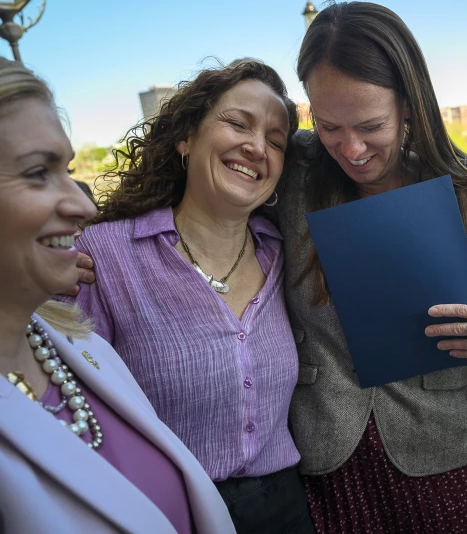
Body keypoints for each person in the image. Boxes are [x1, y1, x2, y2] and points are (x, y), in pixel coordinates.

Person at [265, 1, 467, 533]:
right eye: (328, 126)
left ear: (409, 104)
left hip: (444, 452)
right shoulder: (292, 172)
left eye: (370, 125)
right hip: (327, 456)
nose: (351, 148)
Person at [67, 60, 314, 532]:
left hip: (285, 509)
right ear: (185, 137)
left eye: (276, 141)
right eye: (237, 123)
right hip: (162, 514)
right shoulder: (104, 256)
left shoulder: (287, 254)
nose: (256, 146)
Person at [0, 58, 234, 533]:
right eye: (37, 172)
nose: (85, 205)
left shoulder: (82, 347)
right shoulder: (110, 260)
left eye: (66, 169)